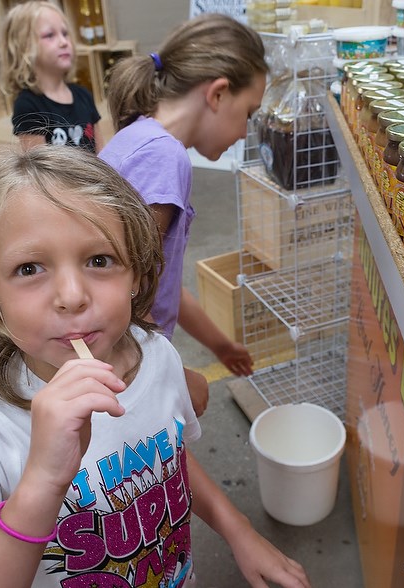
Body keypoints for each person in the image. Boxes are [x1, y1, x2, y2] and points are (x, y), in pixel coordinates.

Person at [0, 147, 309, 588]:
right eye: (29, 267)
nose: (72, 295)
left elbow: (168, 458)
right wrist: (41, 483)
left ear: (136, 275)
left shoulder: (156, 355)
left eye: (99, 260)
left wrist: (239, 531)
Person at [100, 14, 265, 415]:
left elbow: (157, 279)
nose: (246, 132)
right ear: (218, 94)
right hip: (119, 365)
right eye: (249, 112)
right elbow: (120, 292)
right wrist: (168, 375)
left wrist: (220, 345)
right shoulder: (163, 157)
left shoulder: (140, 136)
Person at [0, 1, 102, 152]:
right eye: (50, 35)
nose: (63, 42)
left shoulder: (83, 95)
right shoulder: (28, 105)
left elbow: (102, 153)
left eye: (65, 33)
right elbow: (39, 171)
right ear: (24, 47)